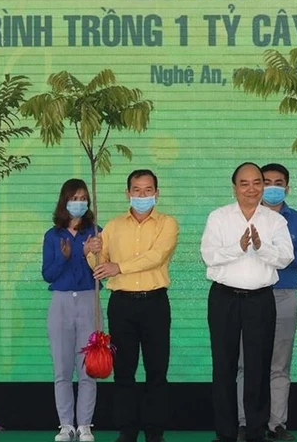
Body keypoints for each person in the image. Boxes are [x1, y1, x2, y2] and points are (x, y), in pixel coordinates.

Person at [202, 163, 295, 442]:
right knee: (224, 367)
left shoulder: (275, 221)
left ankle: (256, 432)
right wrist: (240, 247)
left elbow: (285, 257)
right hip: (224, 298)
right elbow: (209, 255)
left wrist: (260, 246)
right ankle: (226, 434)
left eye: (257, 183)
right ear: (235, 188)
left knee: (258, 367)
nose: (251, 189)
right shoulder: (219, 217)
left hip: (260, 300)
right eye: (244, 183)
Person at [84, 169, 179, 442]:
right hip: (121, 305)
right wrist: (92, 252)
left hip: (155, 304)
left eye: (148, 190)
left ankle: (154, 431)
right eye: (136, 190)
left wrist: (119, 266)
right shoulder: (112, 226)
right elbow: (101, 268)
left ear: (157, 193)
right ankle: (127, 430)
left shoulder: (167, 224)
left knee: (157, 370)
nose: (142, 195)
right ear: (127, 193)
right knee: (124, 370)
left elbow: (156, 257)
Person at [236, 164, 297, 441]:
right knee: (246, 363)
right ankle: (245, 422)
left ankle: (275, 423)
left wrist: (273, 251)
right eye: (264, 182)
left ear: (287, 188)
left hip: (282, 295)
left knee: (278, 364)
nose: (270, 188)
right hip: (249, 295)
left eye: (277, 183)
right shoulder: (241, 216)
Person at [43, 179, 102, 442]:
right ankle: (66, 425)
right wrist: (66, 256)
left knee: (88, 367)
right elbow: (48, 274)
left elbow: (103, 274)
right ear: (64, 201)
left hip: (89, 299)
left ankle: (85, 425)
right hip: (61, 301)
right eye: (74, 197)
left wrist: (91, 253)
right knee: (62, 369)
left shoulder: (97, 233)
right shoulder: (52, 235)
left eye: (83, 197)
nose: (79, 202)